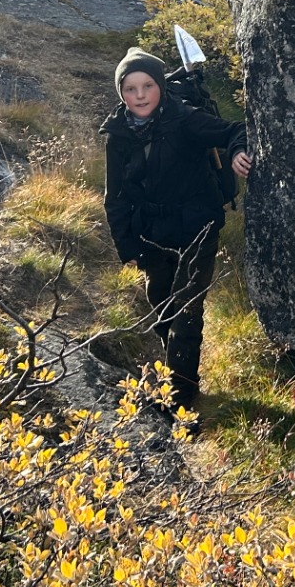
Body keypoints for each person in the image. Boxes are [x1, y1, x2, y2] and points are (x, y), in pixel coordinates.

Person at [100, 47, 252, 424]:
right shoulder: (117, 134)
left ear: (161, 87)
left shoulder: (185, 119)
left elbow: (235, 129)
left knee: (187, 312)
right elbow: (114, 197)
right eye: (130, 88)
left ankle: (180, 400)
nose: (139, 96)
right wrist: (127, 247)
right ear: (120, 91)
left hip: (196, 229)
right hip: (151, 235)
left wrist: (238, 152)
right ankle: (174, 375)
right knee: (161, 307)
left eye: (147, 85)